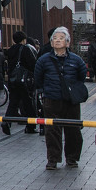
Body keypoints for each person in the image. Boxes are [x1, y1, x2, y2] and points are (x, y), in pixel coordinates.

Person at [34, 26, 87, 170]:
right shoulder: (44, 60)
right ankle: (53, 159)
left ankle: (72, 158)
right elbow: (38, 78)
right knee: (52, 131)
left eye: (61, 38)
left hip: (71, 100)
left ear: (68, 42)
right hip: (51, 98)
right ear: (51, 43)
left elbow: (82, 76)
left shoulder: (76, 60)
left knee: (73, 130)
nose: (57, 41)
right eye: (55, 39)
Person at [6, 31, 38, 133]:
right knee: (28, 104)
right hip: (23, 81)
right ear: (24, 40)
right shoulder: (25, 49)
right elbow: (32, 65)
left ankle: (6, 122)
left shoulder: (10, 50)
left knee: (13, 103)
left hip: (12, 80)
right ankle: (31, 126)